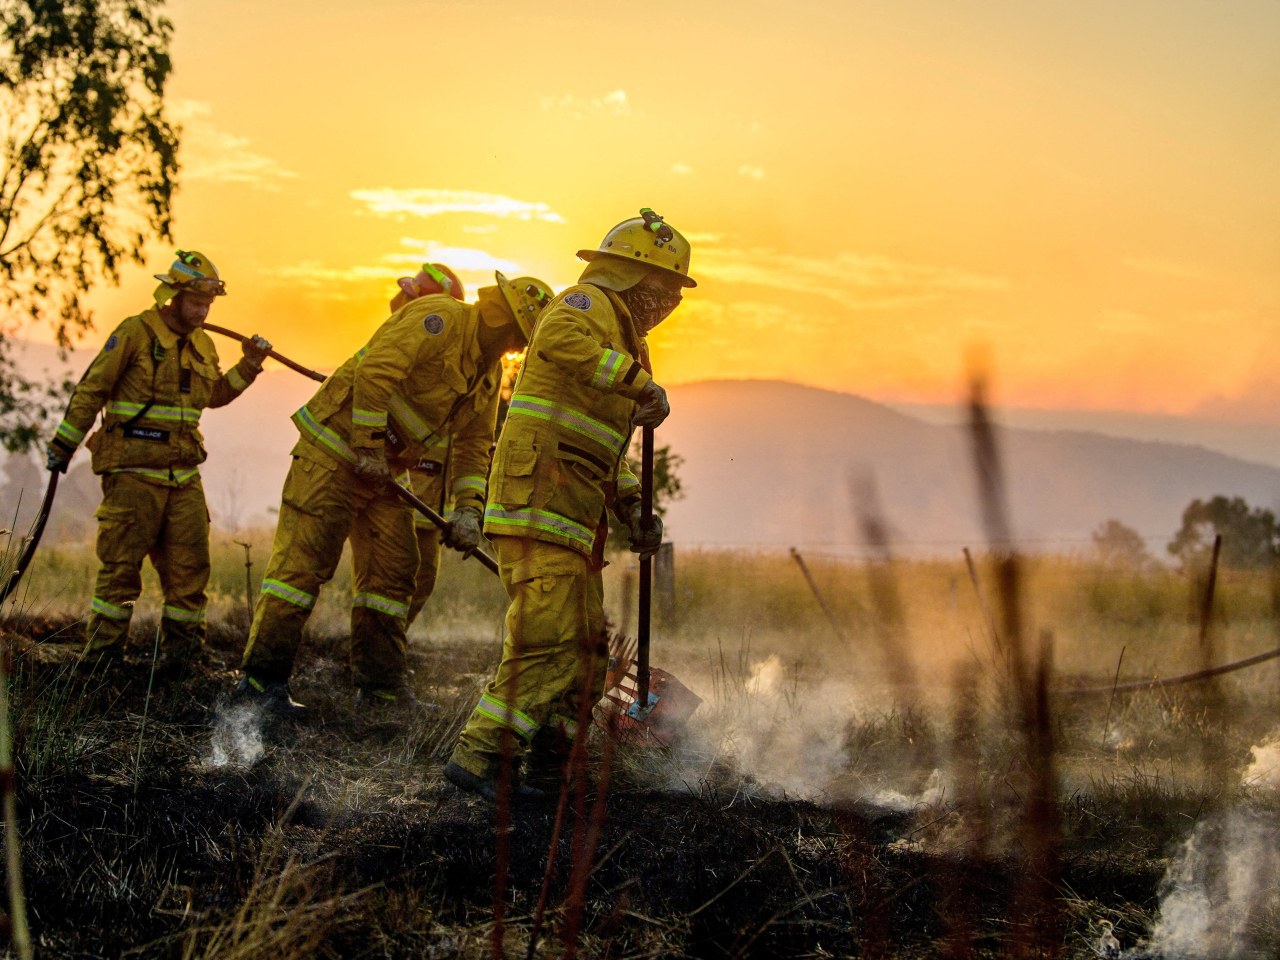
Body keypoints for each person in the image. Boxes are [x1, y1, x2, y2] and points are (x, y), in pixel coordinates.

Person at [444, 208, 695, 799]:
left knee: (585, 654)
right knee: (547, 643)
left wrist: (635, 509)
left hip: (573, 516)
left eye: (674, 294)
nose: (665, 302)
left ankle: (550, 769)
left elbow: (605, 448)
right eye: (660, 288)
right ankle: (478, 760)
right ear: (627, 274)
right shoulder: (585, 306)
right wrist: (638, 383)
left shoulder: (628, 342)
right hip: (538, 503)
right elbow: (557, 339)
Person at [235, 269, 554, 718]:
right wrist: (366, 445)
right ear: (503, 319)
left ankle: (379, 687)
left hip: (385, 472)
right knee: (304, 565)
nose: (516, 346)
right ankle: (259, 681)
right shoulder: (437, 318)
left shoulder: (487, 373)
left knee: (395, 573)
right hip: (335, 449)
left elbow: (473, 446)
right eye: (519, 335)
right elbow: (376, 372)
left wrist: (467, 511)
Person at [45, 251, 272, 672]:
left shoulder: (204, 343)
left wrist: (250, 366)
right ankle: (102, 667)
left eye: (209, 305)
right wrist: (64, 444)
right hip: (132, 473)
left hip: (183, 476)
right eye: (197, 302)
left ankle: (180, 668)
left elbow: (215, 396)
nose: (204, 311)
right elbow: (92, 390)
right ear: (174, 296)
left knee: (190, 578)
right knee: (121, 574)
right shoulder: (134, 333)